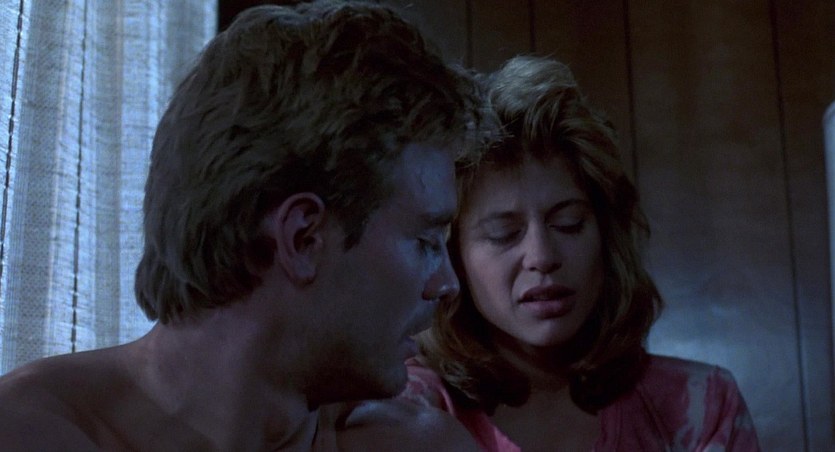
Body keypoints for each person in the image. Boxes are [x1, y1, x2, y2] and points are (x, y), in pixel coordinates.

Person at [0, 1, 489, 449]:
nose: (446, 284)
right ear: (303, 238)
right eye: (426, 241)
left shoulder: (416, 445)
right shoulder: (33, 432)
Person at [401, 55, 761, 451]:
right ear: (453, 256)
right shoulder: (410, 410)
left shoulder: (700, 406)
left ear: (606, 236)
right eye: (504, 234)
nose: (542, 256)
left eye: (568, 224)